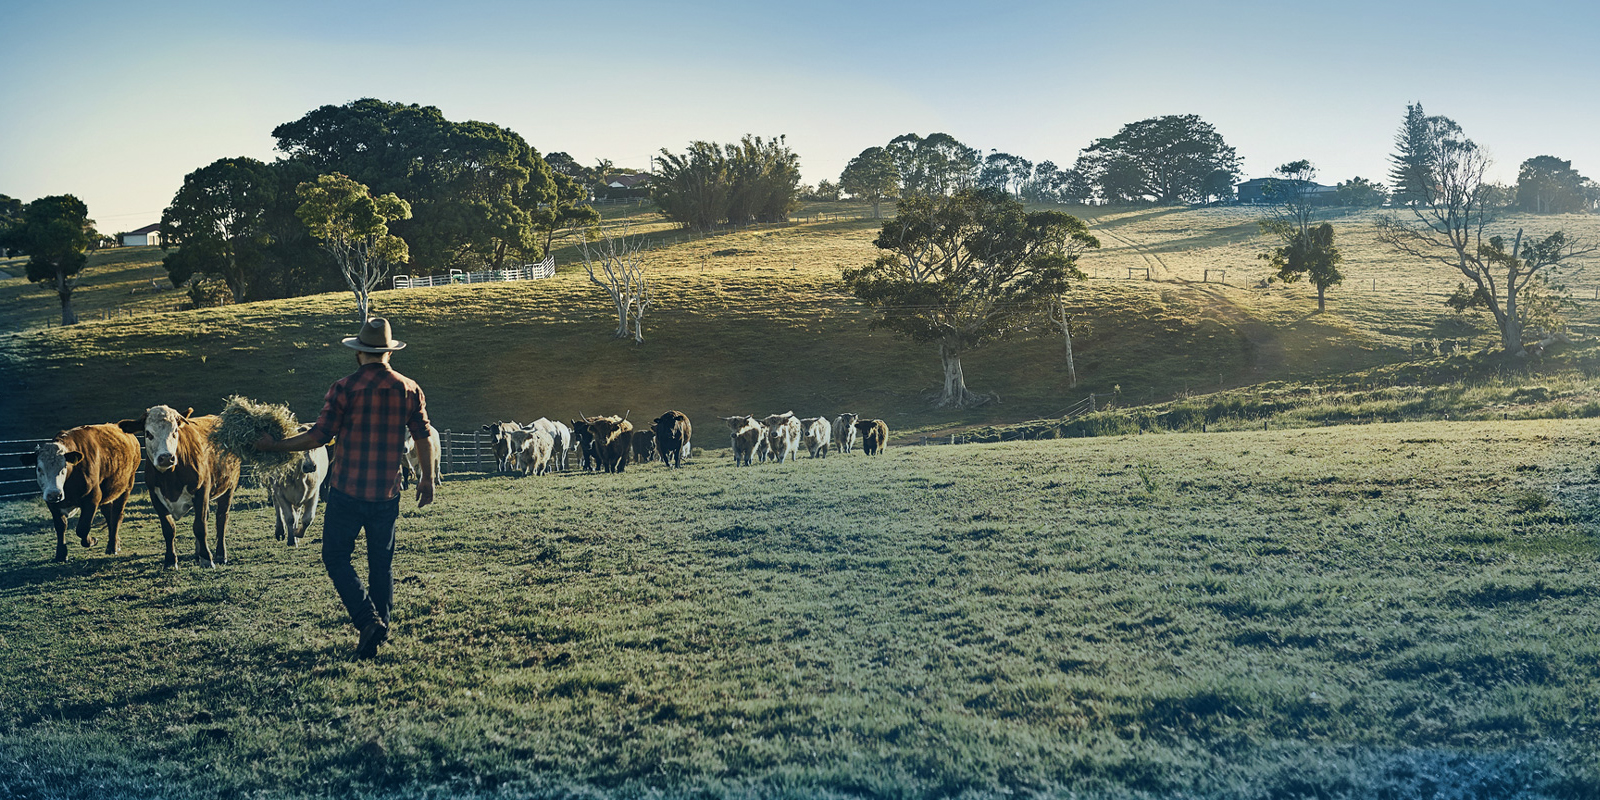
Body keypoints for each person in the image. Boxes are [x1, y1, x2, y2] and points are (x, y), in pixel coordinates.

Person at [257, 317, 434, 659]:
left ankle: (368, 621)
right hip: (387, 492)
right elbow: (424, 435)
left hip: (347, 490)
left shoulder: (344, 388)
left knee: (335, 556)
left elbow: (318, 436)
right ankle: (378, 627)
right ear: (388, 353)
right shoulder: (409, 389)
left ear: (359, 353)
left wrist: (274, 446)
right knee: (380, 563)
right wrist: (426, 478)